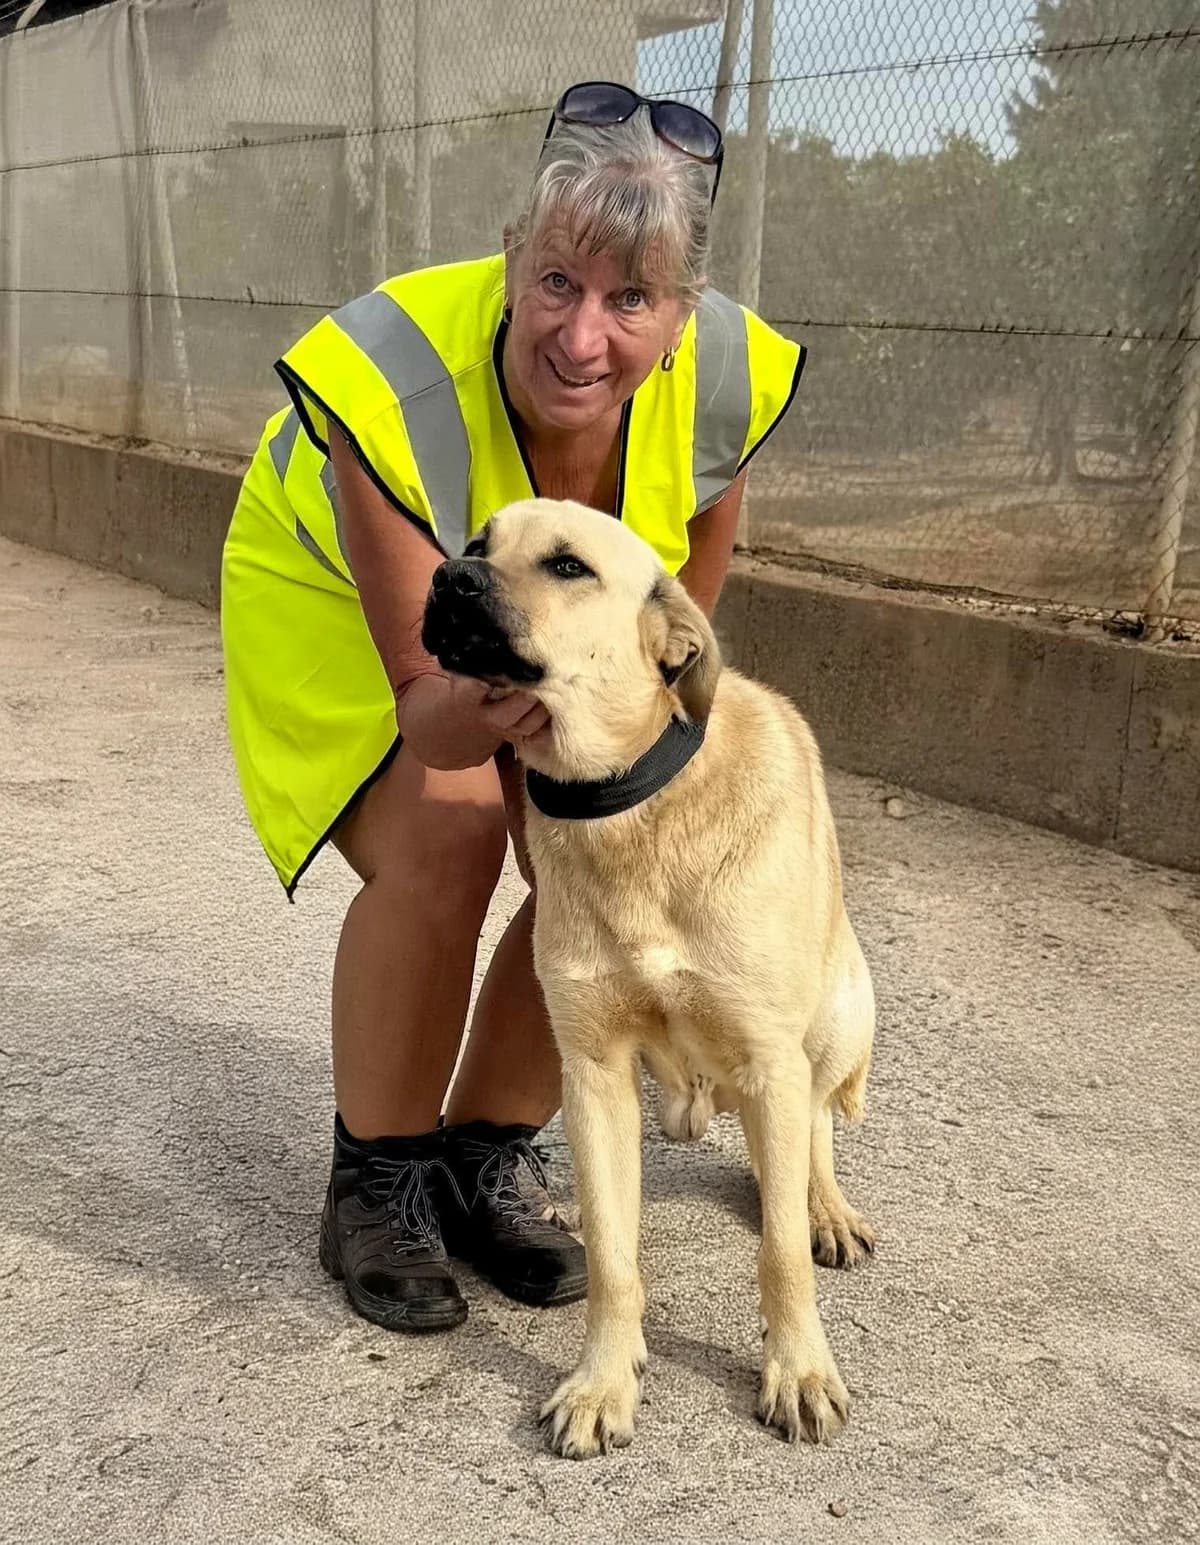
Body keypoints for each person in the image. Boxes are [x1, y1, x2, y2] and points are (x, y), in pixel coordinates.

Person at [220, 80, 806, 1334]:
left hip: (537, 625)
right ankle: (378, 1182)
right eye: (555, 282)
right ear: (509, 261)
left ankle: (484, 1157)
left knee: (595, 846)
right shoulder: (389, 383)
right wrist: (514, 717)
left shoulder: (724, 382)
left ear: (682, 314)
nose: (583, 337)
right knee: (453, 832)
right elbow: (432, 711)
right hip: (335, 600)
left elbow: (666, 668)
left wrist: (603, 781)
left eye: (630, 300)